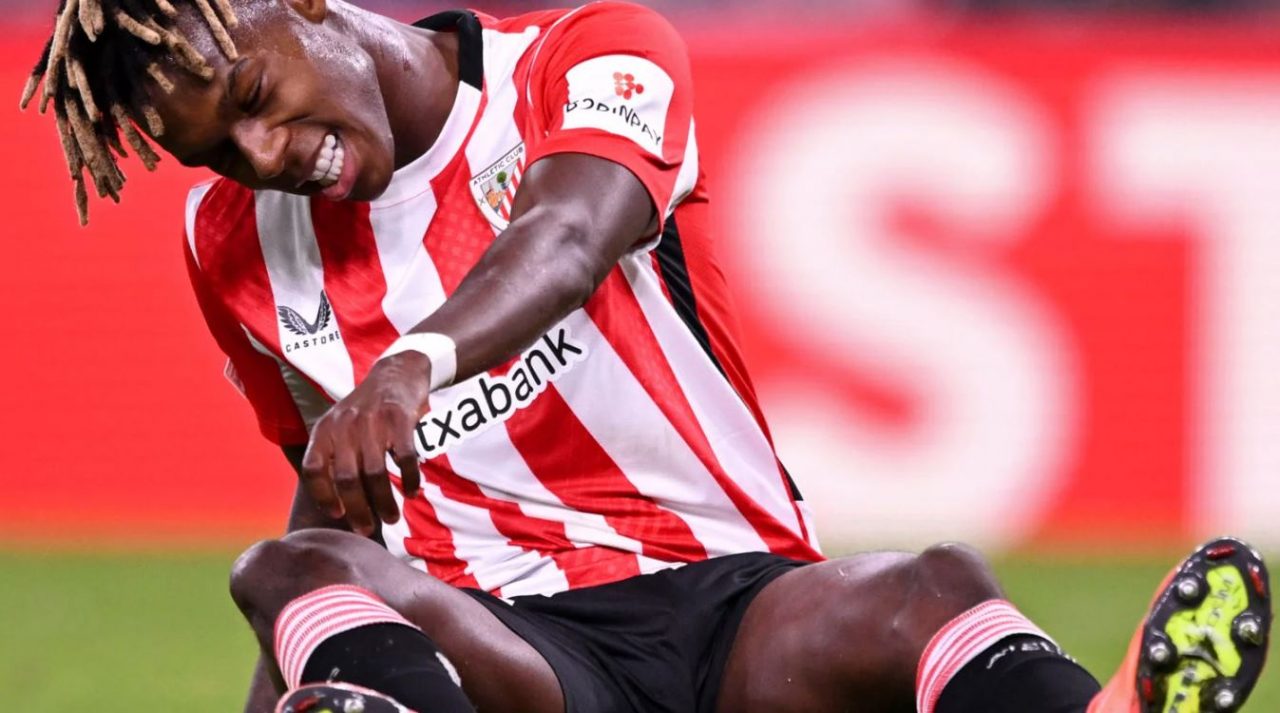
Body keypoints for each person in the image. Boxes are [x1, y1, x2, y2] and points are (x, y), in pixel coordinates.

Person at [20, 1, 1273, 712]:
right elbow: (333, 501)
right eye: (217, 151)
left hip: (733, 609)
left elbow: (568, 237)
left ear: (302, 3)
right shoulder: (229, 241)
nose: (264, 154)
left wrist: (411, 363)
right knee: (285, 564)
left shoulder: (586, 58)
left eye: (253, 95)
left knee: (924, 587)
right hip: (519, 657)